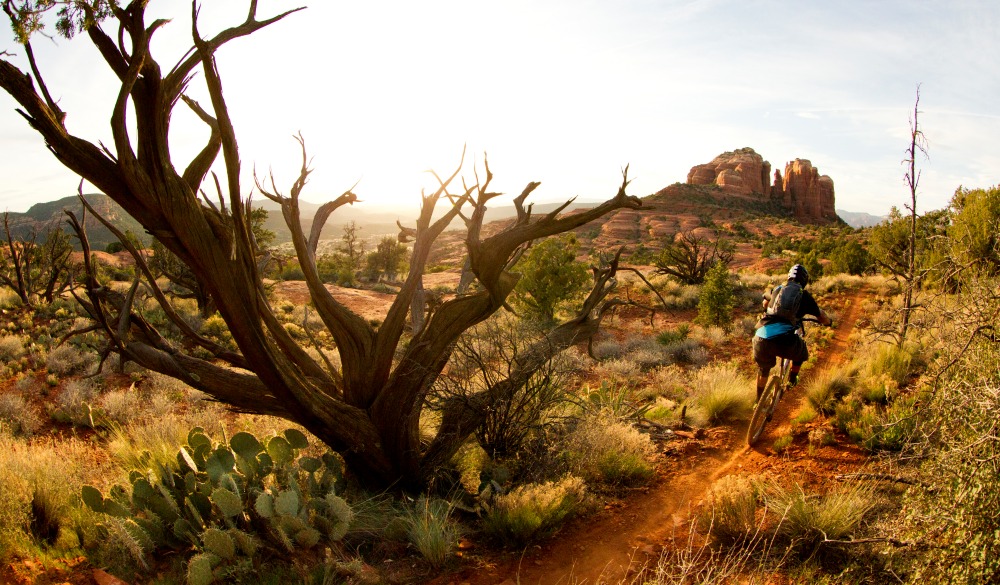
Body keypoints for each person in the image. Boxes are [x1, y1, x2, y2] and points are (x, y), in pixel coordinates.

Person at [751, 264, 833, 404]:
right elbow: (821, 316)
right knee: (801, 353)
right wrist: (828, 323)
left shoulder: (777, 289)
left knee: (763, 368)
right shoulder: (804, 296)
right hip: (783, 340)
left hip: (760, 336)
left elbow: (765, 302)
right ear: (804, 280)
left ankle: (758, 401)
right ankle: (792, 380)